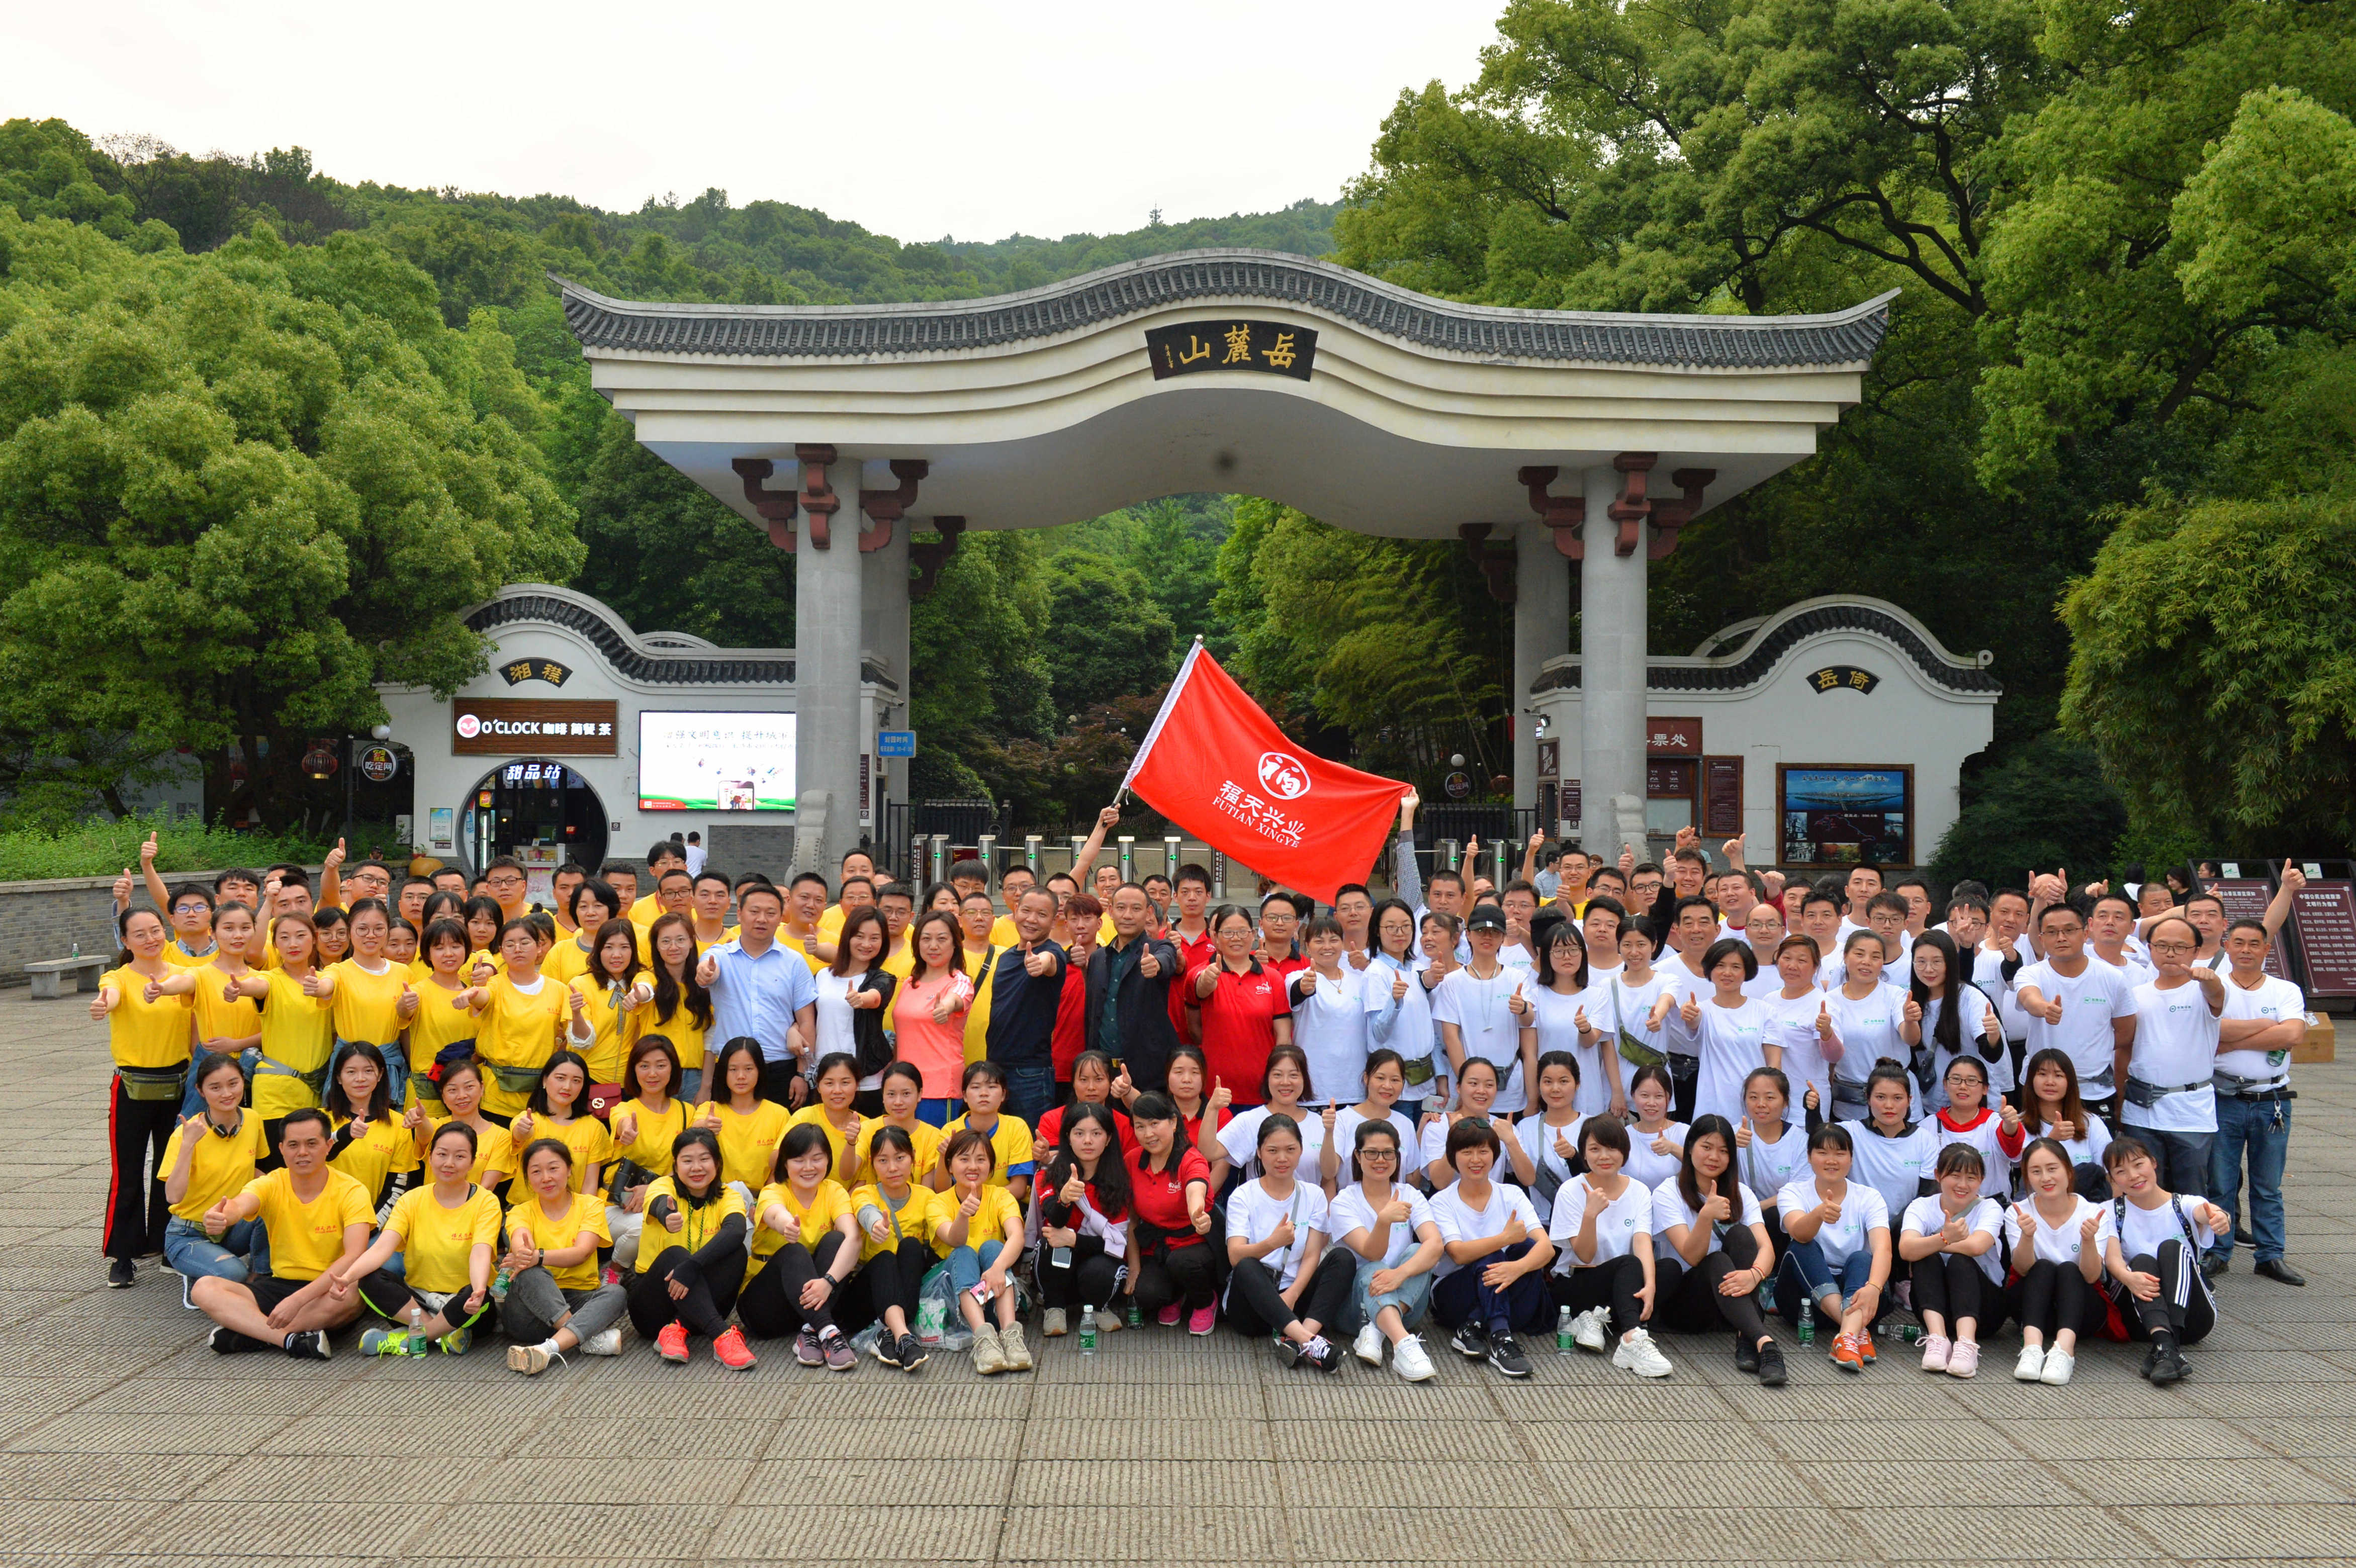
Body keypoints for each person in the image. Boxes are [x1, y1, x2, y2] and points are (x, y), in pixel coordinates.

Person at [190, 1109, 371, 1359]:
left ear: (329, 1146)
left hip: (327, 1287)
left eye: (312, 1144)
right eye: (294, 1145)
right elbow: (240, 1204)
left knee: (352, 1293)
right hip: (277, 1285)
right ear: (282, 1149)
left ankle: (251, 1333)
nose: (303, 1152)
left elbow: (354, 1256)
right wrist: (222, 1216)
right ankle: (289, 1340)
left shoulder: (352, 1191)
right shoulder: (272, 1183)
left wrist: (297, 1300)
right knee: (203, 1288)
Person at [335, 1120, 502, 1356]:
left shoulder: (486, 1202)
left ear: (472, 1162)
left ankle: (409, 1339)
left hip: (465, 1304)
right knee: (369, 1279)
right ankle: (441, 1333)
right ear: (430, 1156)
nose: (449, 1163)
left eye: (460, 1157)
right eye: (442, 1154)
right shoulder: (411, 1200)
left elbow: (481, 1253)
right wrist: (347, 1278)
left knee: (478, 1297)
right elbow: (382, 1248)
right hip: (418, 1302)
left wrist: (478, 1290)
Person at [94, 906, 196, 1285]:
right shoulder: (117, 977)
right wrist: (104, 1003)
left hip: (178, 1085)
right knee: (128, 1171)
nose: (151, 939)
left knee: (171, 1168)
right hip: (132, 1088)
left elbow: (192, 1010)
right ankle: (123, 1255)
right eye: (140, 934)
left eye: (155, 930)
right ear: (125, 940)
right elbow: (111, 995)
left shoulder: (184, 975)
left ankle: (167, 1246)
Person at [1652, 1112, 1784, 1386]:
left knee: (1741, 1235)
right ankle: (1766, 1344)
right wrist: (1706, 1216)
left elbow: (1767, 1249)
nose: (1714, 1157)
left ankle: (1748, 1338)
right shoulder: (1667, 1192)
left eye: (1724, 1151)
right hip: (1686, 1304)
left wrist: (1755, 1275)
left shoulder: (1742, 1194)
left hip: (1730, 1306)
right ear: (1690, 1148)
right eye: (1707, 1147)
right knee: (1716, 1260)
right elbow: (1692, 1256)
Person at [2208, 917, 2307, 1284]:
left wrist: (2231, 1041)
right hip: (2223, 1097)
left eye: (2254, 943)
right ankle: (2218, 1252)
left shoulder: (2285, 990)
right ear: (2227, 946)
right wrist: (2268, 1028)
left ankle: (2270, 1255)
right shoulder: (2215, 988)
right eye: (2239, 942)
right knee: (2220, 1182)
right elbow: (2213, 1031)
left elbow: (2293, 1034)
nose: (2246, 950)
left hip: (2272, 1100)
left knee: (2268, 1185)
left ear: (2267, 949)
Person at [1223, 1114, 1355, 1371]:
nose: (1282, 1158)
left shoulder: (1314, 1195)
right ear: (1259, 1153)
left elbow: (1312, 1254)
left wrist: (1293, 1294)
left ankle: (1299, 1338)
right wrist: (1273, 1243)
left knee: (1343, 1258)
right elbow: (1235, 1256)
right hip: (1253, 1307)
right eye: (1273, 1151)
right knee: (1247, 1265)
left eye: (1290, 1150)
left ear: (1301, 1151)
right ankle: (1309, 1341)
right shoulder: (1243, 1196)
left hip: (1295, 1300)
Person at [1426, 1118, 1554, 1377]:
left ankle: (1473, 1326)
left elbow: (1547, 1249)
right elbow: (1458, 1253)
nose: (1476, 1159)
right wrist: (1504, 1239)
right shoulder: (1441, 1202)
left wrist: (1517, 1268)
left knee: (1526, 1248)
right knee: (1494, 1254)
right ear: (1453, 1157)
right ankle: (1501, 1337)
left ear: (1494, 1156)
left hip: (1502, 1289)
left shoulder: (1511, 1194)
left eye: (1483, 1151)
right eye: (1467, 1152)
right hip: (1455, 1293)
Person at [2097, 1136, 2229, 1385]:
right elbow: (2113, 1260)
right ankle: (2166, 1347)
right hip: (2139, 1318)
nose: (2133, 1176)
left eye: (2139, 1165)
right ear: (2112, 1179)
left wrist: (2220, 1217)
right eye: (2121, 1172)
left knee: (2171, 1248)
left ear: (2154, 1163)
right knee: (2142, 1261)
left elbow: (2207, 1212)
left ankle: (2167, 1346)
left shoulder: (2185, 1204)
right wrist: (2129, 1278)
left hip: (2191, 1319)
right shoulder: (2108, 1211)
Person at [1547, 1116, 1672, 1376]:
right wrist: (1590, 1215)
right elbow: (1585, 1255)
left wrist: (1650, 1285)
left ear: (1624, 1152)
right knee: (1630, 1264)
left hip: (1623, 1281)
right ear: (1584, 1154)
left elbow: (1642, 1242)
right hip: (1578, 1282)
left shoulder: (1639, 1191)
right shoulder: (1570, 1191)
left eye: (1612, 1148)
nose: (1604, 1156)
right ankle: (1631, 1336)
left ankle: (1596, 1318)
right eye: (1595, 1149)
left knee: (1668, 1269)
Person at [629, 1127, 756, 1370]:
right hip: (652, 1309)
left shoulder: (728, 1196)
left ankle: (677, 1330)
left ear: (717, 1163)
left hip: (699, 1302)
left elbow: (736, 1229)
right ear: (676, 1165)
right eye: (687, 1161)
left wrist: (692, 1266)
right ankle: (721, 1335)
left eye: (704, 1159)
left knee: (737, 1252)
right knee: (675, 1254)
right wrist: (667, 1216)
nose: (696, 1168)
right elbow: (659, 1204)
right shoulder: (663, 1186)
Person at [2119, 914, 2226, 1198]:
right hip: (2142, 1109)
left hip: (2191, 1112)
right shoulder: (2135, 994)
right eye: (2162, 946)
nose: (2170, 953)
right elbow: (2124, 1048)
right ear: (2150, 948)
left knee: (2192, 1192)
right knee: (2143, 1191)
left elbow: (2217, 997)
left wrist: (2211, 981)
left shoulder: (2203, 990)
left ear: (2196, 951)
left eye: (2180, 947)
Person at [738, 1123, 862, 1369]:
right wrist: (787, 1226)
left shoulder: (834, 1191)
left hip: (812, 1301)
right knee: (794, 1251)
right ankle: (828, 1331)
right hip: (765, 1308)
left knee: (837, 1240)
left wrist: (828, 1282)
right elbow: (775, 1214)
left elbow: (854, 1238)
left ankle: (810, 1331)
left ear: (828, 1160)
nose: (808, 1167)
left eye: (817, 1159)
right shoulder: (774, 1191)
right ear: (785, 1163)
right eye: (799, 1160)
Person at [500, 1138, 628, 1373]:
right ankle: (583, 1338)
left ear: (569, 1170)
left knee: (616, 1293)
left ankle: (548, 1349)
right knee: (529, 1273)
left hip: (579, 1299)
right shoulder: (520, 1212)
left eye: (553, 1168)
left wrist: (538, 1256)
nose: (546, 1178)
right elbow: (521, 1242)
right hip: (530, 1314)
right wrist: (524, 1254)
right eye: (536, 1172)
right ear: (527, 1178)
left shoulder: (590, 1206)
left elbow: (582, 1253)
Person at [1327, 1120, 1442, 1380]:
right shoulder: (1343, 1202)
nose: (1381, 1160)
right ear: (1358, 1156)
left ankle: (1377, 1330)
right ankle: (1403, 1344)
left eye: (1388, 1153)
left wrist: (1399, 1275)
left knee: (1419, 1250)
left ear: (1397, 1156)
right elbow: (1372, 1254)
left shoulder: (1410, 1194)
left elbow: (1436, 1245)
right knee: (1375, 1268)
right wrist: (1383, 1221)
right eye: (1371, 1153)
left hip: (1407, 1303)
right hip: (1355, 1308)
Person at [1775, 1123, 1892, 1373]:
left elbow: (1883, 1249)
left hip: (1859, 1295)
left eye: (1840, 1154)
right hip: (1804, 1302)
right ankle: (1854, 1331)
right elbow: (1799, 1233)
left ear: (1851, 1158)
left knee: (1863, 1258)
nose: (1831, 1161)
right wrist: (1818, 1214)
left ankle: (1846, 1337)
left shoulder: (1869, 1197)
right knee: (1802, 1246)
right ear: (1809, 1157)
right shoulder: (1793, 1192)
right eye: (1822, 1153)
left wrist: (1874, 1288)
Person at [695, 881, 820, 1110]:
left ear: (781, 917)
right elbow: (708, 969)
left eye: (771, 913)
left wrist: (802, 1074)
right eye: (754, 911)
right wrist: (706, 973)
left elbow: (807, 1022)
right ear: (739, 914)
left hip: (781, 1069)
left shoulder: (794, 962)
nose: (762, 919)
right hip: (731, 1069)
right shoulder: (720, 955)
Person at [159, 1051, 269, 1291]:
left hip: (231, 1227)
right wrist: (189, 1144)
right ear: (201, 1091)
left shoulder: (252, 1120)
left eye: (233, 1084)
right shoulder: (186, 1134)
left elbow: (253, 1171)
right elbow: (173, 1196)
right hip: (189, 1233)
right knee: (235, 1274)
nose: (227, 1094)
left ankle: (261, 1279)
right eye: (215, 1088)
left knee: (274, 1207)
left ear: (244, 1082)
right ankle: (203, 1278)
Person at [2004, 1136, 2108, 1385]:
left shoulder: (2093, 1213)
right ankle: (2031, 1348)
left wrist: (2088, 1241)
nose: (2046, 1178)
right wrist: (2027, 1236)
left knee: (2069, 1270)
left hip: (2081, 1312)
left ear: (2068, 1171)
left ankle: (2064, 1351)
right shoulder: (2018, 1212)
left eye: (2052, 1169)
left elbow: (2092, 1276)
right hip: (2032, 1309)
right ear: (2027, 1177)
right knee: (2043, 1267)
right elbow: (2022, 1269)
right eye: (2036, 1172)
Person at [1895, 1143, 2005, 1376]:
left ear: (1982, 1180)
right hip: (1936, 1308)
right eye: (1955, 1176)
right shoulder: (1922, 1206)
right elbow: (1906, 1249)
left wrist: (1938, 1242)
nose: (1963, 1185)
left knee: (1959, 1261)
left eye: (1971, 1178)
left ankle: (1967, 1344)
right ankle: (1937, 1339)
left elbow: (1977, 1246)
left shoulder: (1989, 1208)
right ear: (1938, 1175)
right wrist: (1943, 1239)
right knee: (1926, 1257)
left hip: (1984, 1310)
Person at [933, 1126, 1032, 1374]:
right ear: (949, 1165)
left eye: (981, 1159)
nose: (973, 1166)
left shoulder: (1001, 1196)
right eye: (964, 1159)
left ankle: (1011, 1335)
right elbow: (954, 1240)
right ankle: (984, 1339)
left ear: (991, 1166)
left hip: (993, 1293)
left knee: (994, 1247)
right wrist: (963, 1215)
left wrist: (998, 1268)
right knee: (964, 1252)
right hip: (955, 1301)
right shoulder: (938, 1202)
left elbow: (1017, 1237)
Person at [1032, 1103, 1133, 1337]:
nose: (1088, 1141)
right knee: (1051, 1245)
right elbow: (1055, 1222)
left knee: (1099, 1267)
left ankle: (1098, 1307)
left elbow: (1118, 1243)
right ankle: (1054, 1308)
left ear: (1109, 1139)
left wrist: (1075, 1240)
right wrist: (1065, 1199)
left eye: (1096, 1133)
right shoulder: (1049, 1174)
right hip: (1061, 1269)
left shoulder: (1121, 1180)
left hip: (1097, 1263)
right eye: (1079, 1133)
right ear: (1068, 1138)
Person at [457, 917, 574, 1121]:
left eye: (525, 942)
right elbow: (484, 996)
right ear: (502, 952)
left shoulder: (559, 990)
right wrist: (471, 994)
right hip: (496, 1095)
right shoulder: (495, 984)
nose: (518, 949)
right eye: (510, 945)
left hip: (540, 1094)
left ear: (539, 947)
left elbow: (574, 1037)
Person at [1124, 1092, 1218, 1332]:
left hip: (1194, 1245)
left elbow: (1196, 1189)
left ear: (1174, 1123)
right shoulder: (1133, 1161)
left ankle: (1206, 1302)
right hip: (1156, 1247)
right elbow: (1131, 1221)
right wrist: (1134, 1268)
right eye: (1140, 1126)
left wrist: (1197, 1213)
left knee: (1182, 1263)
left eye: (1155, 1124)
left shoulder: (1191, 1159)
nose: (1148, 1134)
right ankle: (1176, 1295)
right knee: (1147, 1295)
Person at [847, 1124, 937, 1370]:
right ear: (872, 1164)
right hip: (866, 1299)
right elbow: (866, 1211)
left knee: (911, 1246)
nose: (893, 1168)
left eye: (900, 1158)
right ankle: (904, 1337)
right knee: (886, 1258)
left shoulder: (927, 1197)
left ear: (913, 1158)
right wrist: (876, 1225)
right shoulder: (864, 1193)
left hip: (906, 1296)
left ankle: (890, 1334)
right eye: (883, 1160)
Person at [1434, 905, 1537, 1115]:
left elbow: (1529, 1025)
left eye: (1495, 932)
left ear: (1503, 937)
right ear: (1468, 935)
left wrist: (1523, 1009)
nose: (1487, 937)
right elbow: (1451, 1038)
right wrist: (1466, 1085)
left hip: (1511, 1089)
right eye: (1481, 931)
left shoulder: (1517, 978)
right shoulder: (1452, 982)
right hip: (1468, 1091)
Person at [1190, 904, 1293, 1105]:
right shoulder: (1202, 972)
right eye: (1228, 933)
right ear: (1216, 937)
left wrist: (1279, 1078)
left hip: (1263, 1089)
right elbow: (1200, 990)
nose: (1236, 938)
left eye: (1243, 932)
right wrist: (1208, 980)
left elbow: (1283, 1037)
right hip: (1217, 1090)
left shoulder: (1273, 978)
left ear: (1253, 934)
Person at [1086, 881, 1184, 1094]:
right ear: (1110, 911)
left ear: (1149, 913)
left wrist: (1156, 965)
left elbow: (1167, 959)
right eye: (1121, 908)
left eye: (1136, 909)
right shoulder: (1098, 958)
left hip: (1147, 1075)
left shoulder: (1159, 947)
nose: (1128, 915)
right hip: (1103, 1072)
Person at [1662, 937, 1770, 1126]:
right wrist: (1690, 1015)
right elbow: (1694, 1024)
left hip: (1755, 1106)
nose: (1727, 973)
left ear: (1747, 971)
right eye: (1720, 966)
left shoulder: (1765, 1011)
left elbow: (1774, 1066)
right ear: (1710, 970)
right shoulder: (1702, 1010)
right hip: (1712, 1106)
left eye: (1736, 967)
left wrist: (1768, 1100)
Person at [606, 1035, 693, 1269]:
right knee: (643, 1226)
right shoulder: (624, 1109)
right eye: (644, 1066)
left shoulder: (687, 1112)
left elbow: (690, 1163)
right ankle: (614, 1270)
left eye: (660, 1065)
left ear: (673, 1069)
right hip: (621, 1206)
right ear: (633, 1070)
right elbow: (623, 1122)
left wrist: (653, 1190)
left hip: (665, 1199)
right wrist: (627, 1131)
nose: (652, 1074)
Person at [980, 887, 1064, 1126]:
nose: (1032, 919)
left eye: (1042, 914)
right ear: (1016, 910)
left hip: (1030, 1073)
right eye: (1026, 911)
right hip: (995, 1068)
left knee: (1033, 1140)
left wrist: (1040, 963)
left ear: (1054, 920)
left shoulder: (1053, 952)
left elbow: (1049, 962)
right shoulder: (1006, 957)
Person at [1840, 1064, 1940, 1248]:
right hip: (1857, 1231)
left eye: (1898, 1098)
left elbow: (1926, 1195)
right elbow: (1818, 1143)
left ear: (1910, 1100)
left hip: (1905, 1232)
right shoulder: (1850, 1133)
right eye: (1880, 1097)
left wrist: (1891, 1231)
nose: (1889, 1105)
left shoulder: (1925, 1140)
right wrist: (1813, 1111)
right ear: (1868, 1099)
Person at [1904, 930, 2006, 1110]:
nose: (1929, 969)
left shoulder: (1969, 998)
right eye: (1921, 962)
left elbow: (1991, 1053)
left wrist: (1993, 1035)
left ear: (1950, 962)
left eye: (1937, 961)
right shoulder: (1911, 1001)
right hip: (1933, 1106)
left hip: (1976, 1105)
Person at [892, 910, 975, 1125]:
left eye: (942, 939)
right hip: (904, 1089)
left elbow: (955, 999)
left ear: (955, 944)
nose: (933, 946)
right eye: (926, 939)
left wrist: (945, 1009)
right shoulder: (910, 983)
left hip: (939, 1090)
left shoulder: (959, 981)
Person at [811, 907, 896, 1115]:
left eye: (874, 938)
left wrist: (861, 999)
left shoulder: (883, 978)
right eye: (859, 936)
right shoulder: (823, 976)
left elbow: (876, 997)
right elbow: (809, 1016)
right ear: (847, 937)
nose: (866, 944)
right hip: (825, 1076)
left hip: (864, 1080)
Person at [1821, 931, 1912, 1122]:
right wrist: (1827, 1034)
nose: (1866, 962)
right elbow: (1833, 1056)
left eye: (1875, 957)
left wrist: (1911, 1021)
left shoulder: (1895, 995)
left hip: (1895, 1100)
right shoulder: (1831, 1000)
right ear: (1845, 956)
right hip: (1851, 1105)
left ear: (1883, 962)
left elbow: (1910, 1038)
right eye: (1859, 954)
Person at [1363, 897, 1439, 1116]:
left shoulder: (1417, 968)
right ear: (1377, 931)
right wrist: (1394, 1002)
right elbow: (1378, 1033)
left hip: (1426, 1081)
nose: (1400, 933)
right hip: (1396, 1086)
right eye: (1391, 927)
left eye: (1406, 926)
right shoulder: (1376, 972)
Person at [320, 1042, 418, 1212]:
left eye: (368, 1071)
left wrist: (371, 1224)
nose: (360, 1078)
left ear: (380, 1075)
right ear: (338, 1077)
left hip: (376, 1223)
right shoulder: (319, 1120)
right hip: (325, 1220)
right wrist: (344, 1134)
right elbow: (312, 1161)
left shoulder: (398, 1125)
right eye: (351, 1072)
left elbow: (397, 1187)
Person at [1288, 916, 1370, 1109]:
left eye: (1334, 940)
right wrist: (1305, 987)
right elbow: (1298, 991)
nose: (1327, 947)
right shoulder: (1298, 977)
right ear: (1307, 947)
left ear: (1342, 944)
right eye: (1319, 941)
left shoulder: (1359, 980)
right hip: (1315, 1089)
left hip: (1355, 1087)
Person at [1734, 1066, 1816, 1257]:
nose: (1761, 1104)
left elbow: (1799, 1193)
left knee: (1775, 1215)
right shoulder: (1733, 1135)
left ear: (1785, 1101)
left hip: (1780, 1218)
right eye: (1753, 1097)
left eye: (1770, 1098)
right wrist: (1729, 1148)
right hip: (1739, 1217)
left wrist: (1755, 1208)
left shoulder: (1800, 1141)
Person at [696, 1038, 791, 1203]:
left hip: (764, 1200)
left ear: (760, 1070)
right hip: (716, 1198)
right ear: (723, 1072)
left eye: (749, 1069)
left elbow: (782, 1167)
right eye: (733, 1069)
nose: (741, 1076)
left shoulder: (780, 1114)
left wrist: (763, 1201)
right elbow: (693, 1133)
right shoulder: (709, 1109)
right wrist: (704, 1128)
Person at [506, 1051, 612, 1196]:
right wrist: (523, 1132)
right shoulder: (527, 1119)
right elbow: (519, 1134)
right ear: (545, 1081)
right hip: (525, 1207)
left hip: (573, 1209)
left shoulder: (594, 1128)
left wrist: (585, 1211)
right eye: (560, 1078)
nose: (567, 1087)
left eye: (576, 1081)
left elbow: (590, 1184)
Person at [401, 918, 478, 1116]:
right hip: (427, 1094)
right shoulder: (418, 991)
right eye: (439, 948)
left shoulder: (476, 996)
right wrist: (405, 1004)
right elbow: (403, 1013)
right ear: (427, 953)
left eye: (456, 946)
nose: (449, 954)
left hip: (466, 1094)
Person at [1324, 1049, 1419, 1198]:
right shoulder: (1342, 1120)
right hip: (1350, 1208)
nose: (1387, 1086)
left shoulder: (1406, 1124)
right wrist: (1329, 1132)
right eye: (1380, 1078)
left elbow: (1412, 1179)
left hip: (1395, 1208)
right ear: (1366, 1078)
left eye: (1395, 1080)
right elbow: (1329, 1173)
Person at [637, 912, 712, 1101]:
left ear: (691, 941)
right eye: (666, 941)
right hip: (655, 1075)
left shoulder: (703, 986)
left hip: (694, 1078)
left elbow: (711, 1039)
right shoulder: (649, 978)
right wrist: (637, 995)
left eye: (680, 940)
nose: (673, 947)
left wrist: (706, 1086)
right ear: (656, 945)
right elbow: (644, 989)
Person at [940, 1060, 1037, 1206]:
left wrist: (982, 1204)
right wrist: (943, 1156)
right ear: (965, 1096)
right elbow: (942, 1190)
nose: (984, 1094)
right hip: (960, 1206)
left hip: (1004, 1206)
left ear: (1003, 1095)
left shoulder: (1017, 1127)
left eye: (992, 1087)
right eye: (976, 1087)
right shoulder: (950, 1131)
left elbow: (1019, 1189)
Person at [2021, 1047, 2113, 1196]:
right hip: (2039, 1202)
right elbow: (2025, 1166)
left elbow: (2110, 1174)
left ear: (2070, 1082)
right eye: (2042, 1074)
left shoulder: (2091, 1123)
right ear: (2031, 1080)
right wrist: (2051, 1140)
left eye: (2058, 1075)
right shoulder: (2019, 1124)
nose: (2050, 1082)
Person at [1508, 1051, 1585, 1224]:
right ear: (1539, 1084)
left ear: (1577, 1084)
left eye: (1564, 1081)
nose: (1555, 1089)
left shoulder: (1591, 1126)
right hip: (1540, 1224)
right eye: (1548, 1082)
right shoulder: (1525, 1127)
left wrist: (1574, 1156)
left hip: (1585, 1222)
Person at [1933, 1055, 2025, 1200]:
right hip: (1944, 1210)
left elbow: (2013, 1151)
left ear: (1985, 1089)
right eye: (1956, 1079)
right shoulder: (1927, 1127)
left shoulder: (1995, 1123)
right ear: (1945, 1084)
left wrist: (2011, 1125)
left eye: (1972, 1081)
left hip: (1993, 1208)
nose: (1963, 1087)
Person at [568, 919, 643, 1090]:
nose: (617, 955)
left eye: (624, 947)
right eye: (609, 947)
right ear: (598, 950)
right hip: (588, 1077)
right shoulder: (580, 985)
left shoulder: (640, 983)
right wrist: (577, 1013)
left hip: (631, 1079)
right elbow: (583, 1041)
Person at [428, 1057, 513, 1196]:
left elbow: (488, 1186)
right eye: (452, 1090)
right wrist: (418, 1119)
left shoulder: (501, 1136)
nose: (462, 1096)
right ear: (443, 1096)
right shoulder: (435, 1127)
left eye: (469, 1087)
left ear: (482, 1088)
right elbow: (424, 1130)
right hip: (431, 1206)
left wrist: (462, 1206)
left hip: (475, 1207)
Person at [853, 1061, 945, 1186]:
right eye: (891, 1094)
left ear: (920, 1094)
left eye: (906, 1094)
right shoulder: (868, 1129)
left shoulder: (932, 1136)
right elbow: (849, 1174)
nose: (898, 1102)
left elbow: (927, 1191)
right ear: (883, 1096)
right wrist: (850, 1143)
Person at [788, 1053, 873, 1186]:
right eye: (829, 1083)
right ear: (818, 1086)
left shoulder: (868, 1126)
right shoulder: (804, 1117)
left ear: (857, 1085)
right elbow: (779, 1160)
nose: (837, 1091)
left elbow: (864, 1179)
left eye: (845, 1083)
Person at [1619, 1063, 1689, 1192]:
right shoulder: (1623, 1136)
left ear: (1669, 1098)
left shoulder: (1683, 1132)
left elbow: (1702, 1165)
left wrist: (1673, 1149)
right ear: (1633, 1096)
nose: (1651, 1103)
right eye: (1645, 1096)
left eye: (1659, 1096)